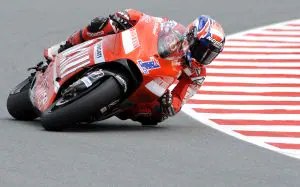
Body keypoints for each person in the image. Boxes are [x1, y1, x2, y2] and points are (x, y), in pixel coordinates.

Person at [44, 9, 225, 125]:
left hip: (152, 84)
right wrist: (126, 17)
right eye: (202, 49)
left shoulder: (196, 73)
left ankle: (114, 106)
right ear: (192, 36)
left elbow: (181, 97)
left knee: (158, 114)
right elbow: (146, 20)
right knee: (101, 24)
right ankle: (66, 46)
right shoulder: (173, 29)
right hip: (140, 56)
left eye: (210, 54)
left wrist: (171, 104)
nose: (203, 57)